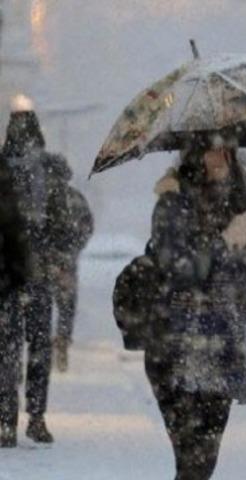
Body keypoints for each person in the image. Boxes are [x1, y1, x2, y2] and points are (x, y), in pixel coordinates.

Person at [144, 136, 246, 479]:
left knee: (204, 460)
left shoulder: (238, 201)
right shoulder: (173, 202)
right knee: (193, 461)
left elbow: (235, 275)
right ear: (194, 155)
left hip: (225, 346)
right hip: (179, 346)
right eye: (212, 149)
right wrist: (226, 241)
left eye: (227, 150)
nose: (221, 157)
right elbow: (180, 271)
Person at [0, 106, 75, 445]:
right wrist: (58, 258)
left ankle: (6, 420)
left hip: (7, 273)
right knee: (38, 346)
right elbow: (64, 224)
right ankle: (36, 416)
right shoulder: (50, 171)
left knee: (7, 348)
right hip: (38, 271)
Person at [0, 151, 31, 448]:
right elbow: (19, 248)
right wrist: (20, 283)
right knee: (7, 359)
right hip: (5, 290)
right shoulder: (9, 202)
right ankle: (6, 421)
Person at [49, 181, 94, 372]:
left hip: (42, 262)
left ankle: (38, 346)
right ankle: (62, 340)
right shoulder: (76, 197)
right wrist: (73, 249)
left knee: (39, 305)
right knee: (66, 305)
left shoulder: (39, 196)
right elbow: (87, 226)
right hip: (66, 262)